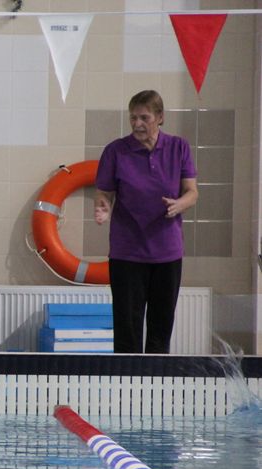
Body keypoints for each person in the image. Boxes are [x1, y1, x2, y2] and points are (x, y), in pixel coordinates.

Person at [94, 90, 198, 354]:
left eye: (144, 117)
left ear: (160, 118)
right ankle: (124, 390)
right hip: (127, 252)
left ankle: (156, 391)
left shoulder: (179, 147)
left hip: (167, 252)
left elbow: (192, 192)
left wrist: (179, 205)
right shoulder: (116, 151)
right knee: (127, 331)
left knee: (160, 329)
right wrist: (104, 206)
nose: (137, 124)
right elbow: (104, 191)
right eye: (133, 118)